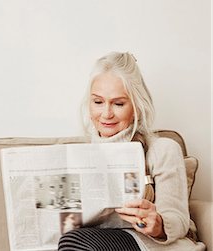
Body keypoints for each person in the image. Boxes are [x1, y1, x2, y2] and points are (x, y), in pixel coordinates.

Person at [58, 52, 205, 250]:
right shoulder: (79, 155)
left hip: (153, 245)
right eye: (98, 102)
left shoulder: (163, 149)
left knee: (74, 241)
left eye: (118, 104)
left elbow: (177, 219)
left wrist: (158, 224)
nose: (106, 114)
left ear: (136, 106)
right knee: (72, 239)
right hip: (93, 243)